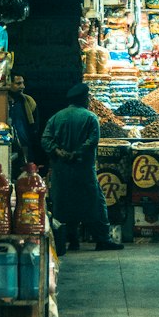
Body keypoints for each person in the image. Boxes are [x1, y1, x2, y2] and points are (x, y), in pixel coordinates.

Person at [41, 82, 117, 252]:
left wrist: (59, 152)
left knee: (63, 205)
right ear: (84, 99)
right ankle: (102, 240)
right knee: (95, 204)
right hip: (83, 170)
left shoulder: (56, 117)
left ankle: (68, 241)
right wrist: (77, 153)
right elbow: (92, 141)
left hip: (61, 171)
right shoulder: (90, 117)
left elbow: (45, 140)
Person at [7, 73, 38, 172]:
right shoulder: (2, 102)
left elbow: (35, 126)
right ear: (9, 83)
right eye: (18, 83)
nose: (23, 86)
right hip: (8, 146)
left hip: (25, 147)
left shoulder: (28, 102)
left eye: (23, 83)